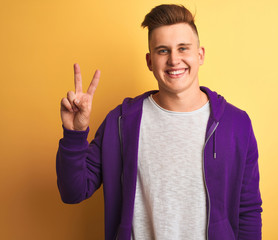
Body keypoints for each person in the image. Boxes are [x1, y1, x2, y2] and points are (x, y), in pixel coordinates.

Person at [57, 4, 262, 240]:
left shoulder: (236, 124)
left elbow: (247, 211)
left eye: (183, 48)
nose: (174, 60)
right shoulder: (121, 122)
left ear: (200, 55)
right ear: (149, 61)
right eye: (163, 51)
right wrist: (75, 133)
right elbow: (73, 191)